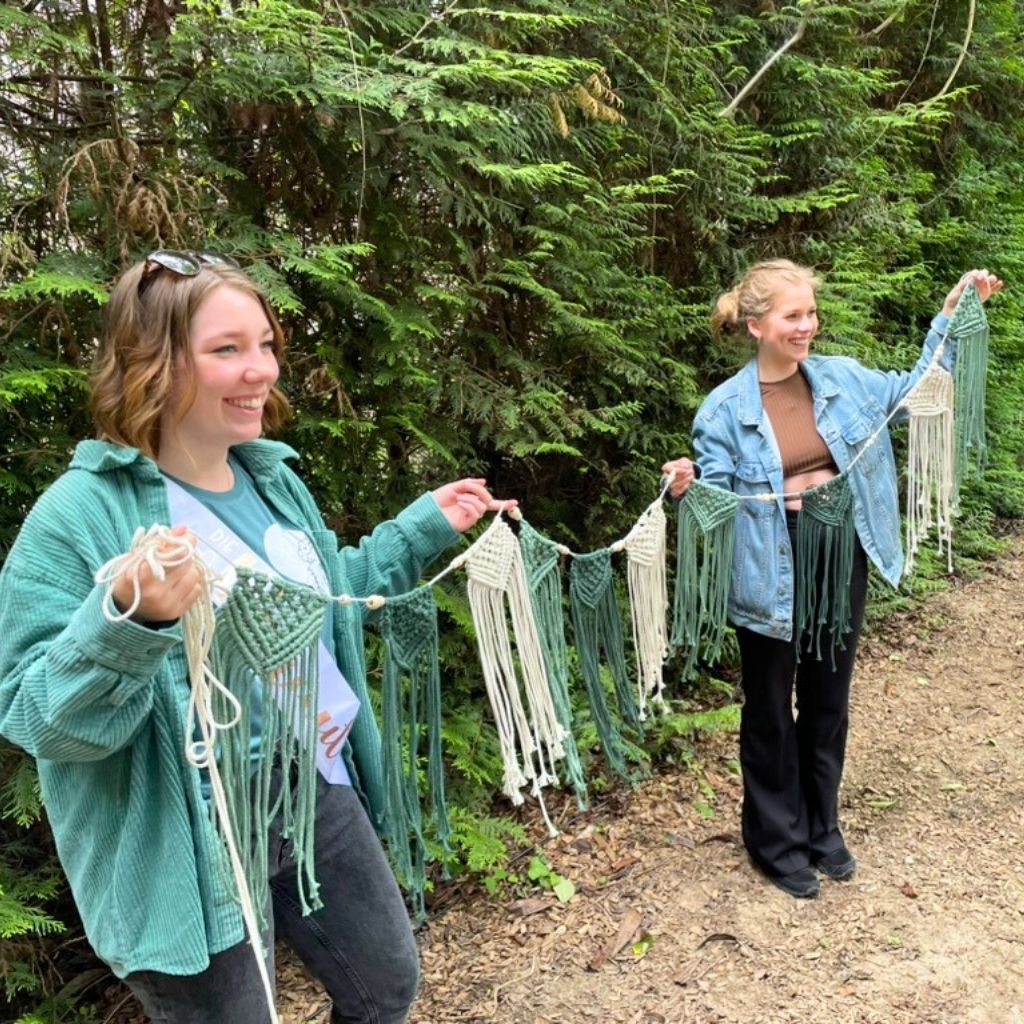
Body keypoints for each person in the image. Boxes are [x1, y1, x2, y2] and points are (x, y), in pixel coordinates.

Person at [0, 250, 514, 1023]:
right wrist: (131, 621)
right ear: (154, 363)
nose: (261, 371)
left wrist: (421, 527)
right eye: (226, 350)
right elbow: (35, 715)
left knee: (384, 984)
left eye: (266, 345)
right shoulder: (78, 516)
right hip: (189, 836)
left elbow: (316, 596)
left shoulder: (269, 478)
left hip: (307, 788)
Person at [662, 259, 1002, 899]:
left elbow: (917, 390)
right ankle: (776, 842)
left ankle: (822, 828)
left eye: (811, 313)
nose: (807, 326)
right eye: (793, 316)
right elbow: (713, 498)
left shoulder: (844, 380)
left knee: (828, 697)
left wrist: (952, 316)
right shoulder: (723, 410)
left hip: (838, 551)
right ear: (758, 325)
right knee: (768, 704)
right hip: (771, 562)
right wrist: (684, 488)